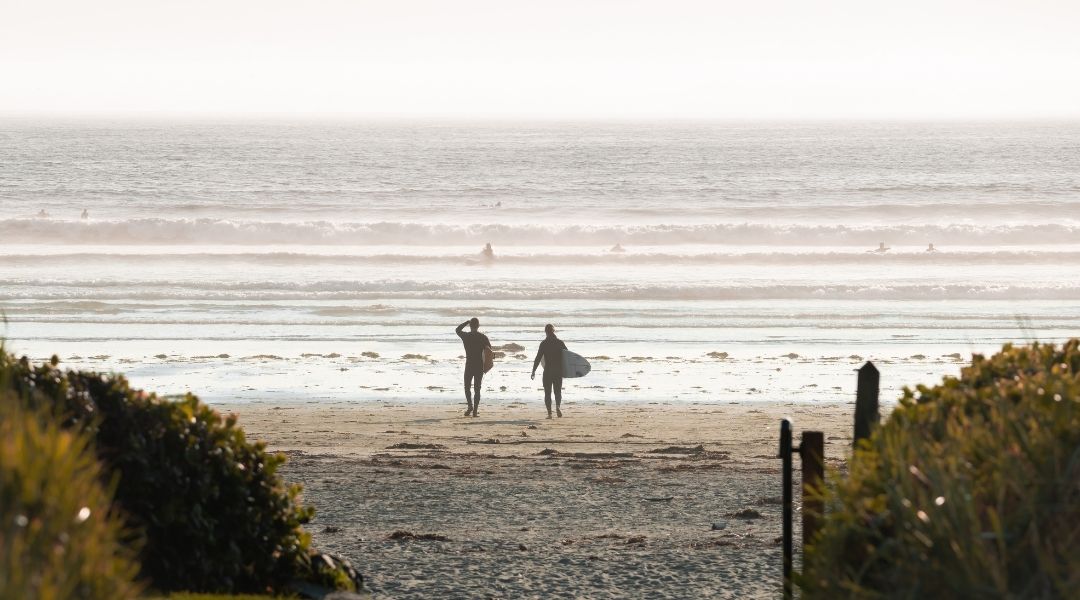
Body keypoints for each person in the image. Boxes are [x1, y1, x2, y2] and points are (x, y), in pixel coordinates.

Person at [456, 318, 491, 417]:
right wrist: (487, 365)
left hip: (469, 364)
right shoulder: (483, 337)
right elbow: (490, 351)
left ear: (470, 326)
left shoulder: (466, 336)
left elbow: (457, 330)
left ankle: (470, 406)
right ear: (478, 326)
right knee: (477, 389)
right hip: (479, 365)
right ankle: (475, 411)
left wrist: (466, 322)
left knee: (467, 387)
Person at [531, 323, 568, 419]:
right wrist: (568, 371)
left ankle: (549, 414)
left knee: (547, 393)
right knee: (558, 392)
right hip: (558, 371)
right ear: (553, 331)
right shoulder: (560, 342)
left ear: (546, 332)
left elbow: (538, 358)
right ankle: (558, 407)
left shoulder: (544, 344)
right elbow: (568, 356)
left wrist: (533, 371)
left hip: (548, 371)